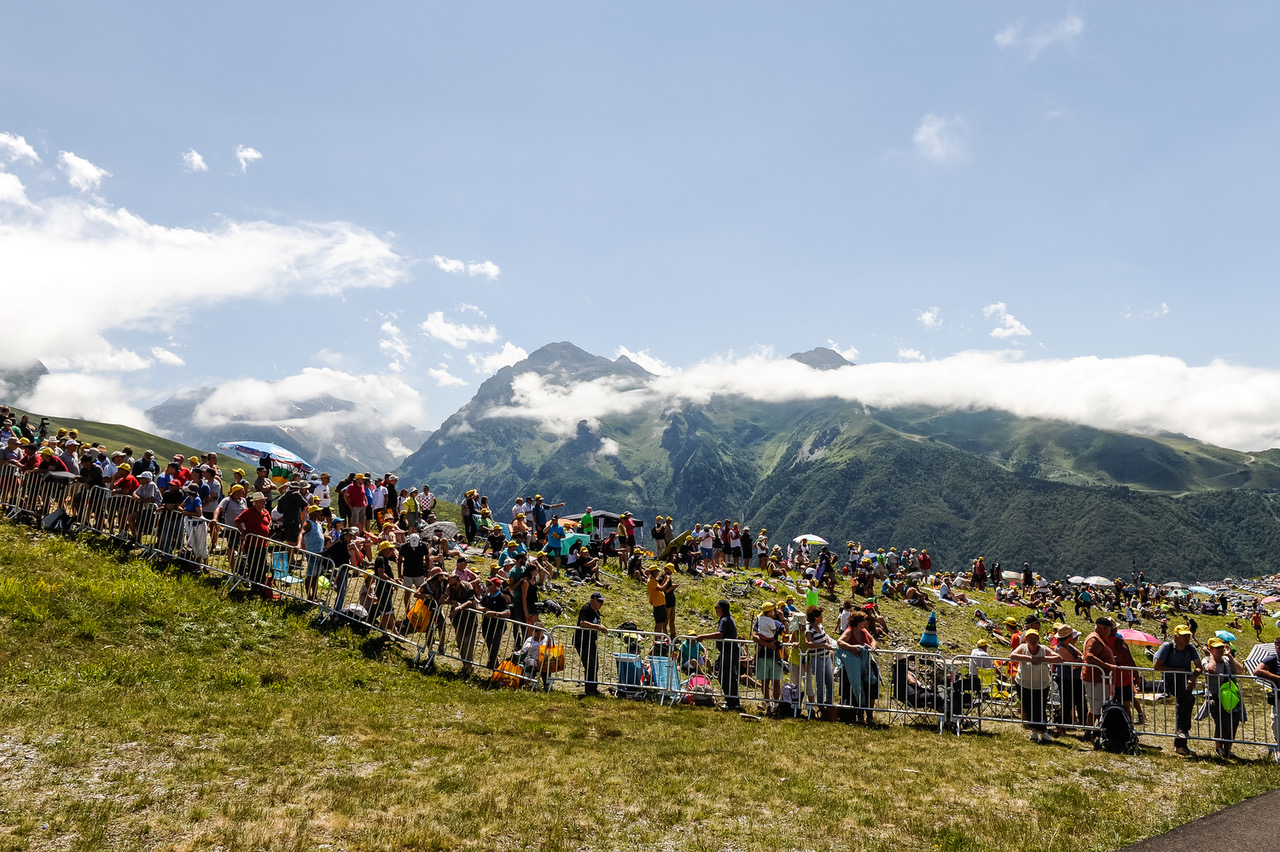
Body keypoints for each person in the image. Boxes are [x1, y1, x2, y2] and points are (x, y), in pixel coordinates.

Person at [1154, 625, 1203, 756]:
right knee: (1186, 701)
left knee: (1186, 702)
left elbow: (1199, 667)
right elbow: (1157, 666)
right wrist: (1177, 671)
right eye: (1184, 635)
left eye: (1188, 635)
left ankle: (1181, 741)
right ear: (1176, 637)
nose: (1188, 638)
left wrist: (1192, 677)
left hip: (1185, 682)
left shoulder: (1190, 647)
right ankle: (1182, 733)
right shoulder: (1167, 647)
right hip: (1170, 681)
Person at [1011, 628, 1061, 743]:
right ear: (1026, 639)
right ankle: (1034, 731)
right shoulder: (1023, 648)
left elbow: (1059, 658)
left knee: (1040, 707)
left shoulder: (1043, 649)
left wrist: (1042, 659)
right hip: (1024, 683)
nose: (1033, 641)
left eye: (1035, 638)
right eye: (1030, 638)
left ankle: (1044, 732)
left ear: (1038, 639)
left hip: (1041, 684)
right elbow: (1012, 655)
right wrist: (1030, 658)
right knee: (1028, 708)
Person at [1200, 637, 1246, 758]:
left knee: (1234, 722)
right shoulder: (1206, 660)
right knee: (1222, 722)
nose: (1221, 649)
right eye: (1217, 648)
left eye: (1221, 647)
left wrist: (1230, 656)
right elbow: (1212, 669)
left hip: (1232, 696)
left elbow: (1240, 670)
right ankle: (1219, 747)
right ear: (1210, 649)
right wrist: (1210, 655)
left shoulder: (1227, 659)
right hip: (1216, 697)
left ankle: (1228, 749)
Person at [697, 600, 741, 711]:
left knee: (725, 676)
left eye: (716, 607)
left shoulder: (725, 620)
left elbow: (719, 634)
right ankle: (733, 701)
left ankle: (732, 702)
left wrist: (703, 636)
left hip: (729, 651)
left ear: (721, 608)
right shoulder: (727, 618)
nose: (715, 609)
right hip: (728, 651)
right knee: (729, 676)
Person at [836, 610, 878, 724]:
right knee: (858, 689)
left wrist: (873, 646)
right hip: (853, 666)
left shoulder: (863, 631)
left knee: (870, 688)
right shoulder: (849, 630)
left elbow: (873, 640)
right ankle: (859, 714)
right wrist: (851, 647)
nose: (865, 622)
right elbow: (840, 642)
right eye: (864, 620)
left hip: (865, 664)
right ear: (859, 621)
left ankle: (869, 715)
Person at [1082, 617, 1118, 732]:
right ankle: (1089, 731)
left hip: (1101, 679)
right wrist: (1108, 666)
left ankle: (1095, 730)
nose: (1110, 633)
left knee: (1098, 707)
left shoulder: (1099, 638)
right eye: (1109, 630)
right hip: (1096, 679)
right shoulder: (1094, 639)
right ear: (1105, 628)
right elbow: (1089, 656)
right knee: (1095, 708)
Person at [1250, 636, 1280, 762]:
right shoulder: (1272, 658)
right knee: (1277, 723)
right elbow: (1258, 670)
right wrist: (1277, 679)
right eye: (1278, 644)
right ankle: (1278, 748)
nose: (1279, 646)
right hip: (1278, 697)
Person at [574, 591, 607, 696]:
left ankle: (594, 688)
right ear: (593, 600)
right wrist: (597, 627)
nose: (601, 604)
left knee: (595, 665)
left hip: (592, 642)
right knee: (589, 665)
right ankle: (589, 690)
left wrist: (601, 626)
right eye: (599, 601)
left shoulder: (597, 611)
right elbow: (582, 623)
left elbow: (598, 622)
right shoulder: (586, 608)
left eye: (602, 602)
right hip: (582, 642)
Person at [1053, 625, 1086, 732]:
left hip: (1076, 678)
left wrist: (1080, 659)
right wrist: (1080, 659)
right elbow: (1075, 664)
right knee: (1067, 702)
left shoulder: (1069, 646)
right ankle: (1065, 724)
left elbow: (1082, 657)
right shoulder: (1061, 648)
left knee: (1081, 702)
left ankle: (1084, 724)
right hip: (1065, 679)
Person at [805, 605, 835, 714]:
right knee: (820, 683)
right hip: (817, 658)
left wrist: (828, 645)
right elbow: (808, 643)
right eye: (821, 616)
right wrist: (822, 645)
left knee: (830, 682)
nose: (822, 617)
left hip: (826, 657)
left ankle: (830, 704)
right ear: (816, 617)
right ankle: (821, 706)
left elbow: (825, 636)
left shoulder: (820, 626)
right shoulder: (810, 629)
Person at [646, 567, 667, 634]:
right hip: (658, 605)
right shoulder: (651, 581)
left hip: (661, 603)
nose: (658, 573)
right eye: (657, 571)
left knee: (661, 623)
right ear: (654, 572)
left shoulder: (654, 580)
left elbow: (659, 587)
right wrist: (667, 580)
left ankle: (659, 638)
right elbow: (661, 588)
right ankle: (657, 638)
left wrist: (665, 580)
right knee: (658, 623)